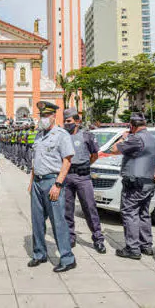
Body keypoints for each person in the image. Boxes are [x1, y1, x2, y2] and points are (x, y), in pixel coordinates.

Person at [28, 101, 76, 273]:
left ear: (54, 116)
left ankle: (67, 258)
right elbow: (36, 160)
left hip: (52, 182)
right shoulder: (39, 135)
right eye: (42, 115)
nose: (44, 118)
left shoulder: (61, 135)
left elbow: (67, 161)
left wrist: (58, 184)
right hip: (37, 182)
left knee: (58, 221)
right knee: (37, 221)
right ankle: (39, 253)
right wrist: (31, 182)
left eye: (47, 115)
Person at [110, 112, 155, 260]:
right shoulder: (154, 139)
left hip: (134, 184)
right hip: (148, 183)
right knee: (144, 214)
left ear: (131, 126)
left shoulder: (135, 139)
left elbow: (114, 149)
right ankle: (146, 246)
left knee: (130, 214)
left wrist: (123, 137)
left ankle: (133, 248)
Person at [62, 108, 106, 253]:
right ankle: (70, 236)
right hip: (67, 176)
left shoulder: (87, 136)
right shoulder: (62, 136)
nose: (66, 124)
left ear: (77, 121)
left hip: (83, 177)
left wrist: (85, 165)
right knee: (67, 209)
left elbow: (94, 155)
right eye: (65, 121)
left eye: (69, 121)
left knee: (89, 207)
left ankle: (98, 238)